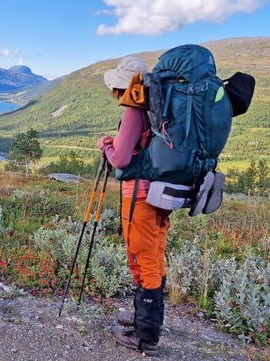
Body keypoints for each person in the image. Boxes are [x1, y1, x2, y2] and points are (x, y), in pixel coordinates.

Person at [97, 56, 172, 356]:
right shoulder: (157, 106)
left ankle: (145, 335)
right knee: (153, 254)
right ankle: (145, 318)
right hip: (161, 195)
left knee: (143, 258)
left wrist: (106, 144)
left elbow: (121, 160)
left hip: (140, 196)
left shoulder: (134, 110)